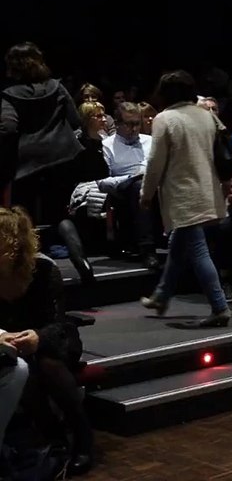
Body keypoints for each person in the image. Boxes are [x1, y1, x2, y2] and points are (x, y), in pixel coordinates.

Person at [0, 207, 93, 475]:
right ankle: (54, 438)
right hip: (8, 342)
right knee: (20, 367)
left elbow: (58, 322)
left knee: (47, 363)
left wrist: (38, 337)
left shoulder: (43, 268)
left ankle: (82, 438)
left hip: (53, 337)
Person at [139, 71, 231, 328]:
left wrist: (146, 195)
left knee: (198, 250)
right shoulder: (207, 115)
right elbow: (223, 155)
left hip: (183, 195)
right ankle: (161, 295)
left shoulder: (165, 119)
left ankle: (219, 306)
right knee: (180, 244)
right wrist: (227, 186)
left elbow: (155, 163)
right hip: (208, 191)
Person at [0, 42, 83, 228]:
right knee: (60, 214)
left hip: (26, 164)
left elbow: (8, 128)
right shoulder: (57, 87)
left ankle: (30, 255)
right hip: (61, 159)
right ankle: (80, 258)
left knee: (23, 214)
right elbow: (75, 120)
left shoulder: (9, 94)